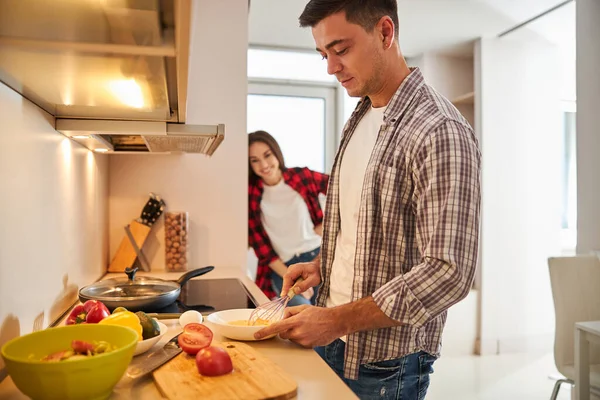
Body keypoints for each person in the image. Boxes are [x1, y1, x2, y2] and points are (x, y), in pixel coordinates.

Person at [254, 1, 482, 399]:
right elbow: (363, 231)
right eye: (324, 54)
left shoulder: (439, 130)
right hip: (332, 339)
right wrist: (322, 266)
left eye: (341, 50)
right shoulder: (359, 118)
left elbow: (450, 272)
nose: (330, 67)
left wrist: (336, 320)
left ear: (385, 32)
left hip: (387, 364)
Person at [248, 130, 329, 306]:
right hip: (285, 269)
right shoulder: (251, 196)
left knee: (331, 320)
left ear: (276, 153)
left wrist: (330, 225)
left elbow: (341, 186)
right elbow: (265, 253)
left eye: (267, 155)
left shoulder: (301, 176)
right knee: (302, 318)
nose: (263, 164)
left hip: (319, 258)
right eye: (254, 160)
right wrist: (292, 279)